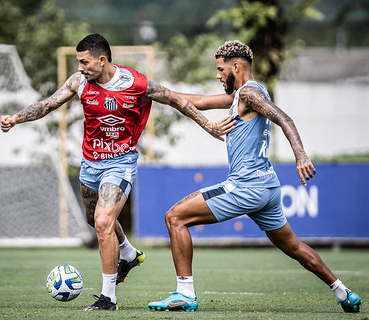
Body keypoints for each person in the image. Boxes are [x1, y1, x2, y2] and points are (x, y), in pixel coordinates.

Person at [0, 33, 235, 311]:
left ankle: (107, 298)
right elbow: (47, 104)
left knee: (102, 223)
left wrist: (207, 125)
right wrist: (16, 118)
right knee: (93, 219)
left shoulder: (136, 83)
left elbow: (175, 100)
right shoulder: (79, 82)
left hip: (120, 163)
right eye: (78, 62)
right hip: (89, 164)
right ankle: (128, 253)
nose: (79, 68)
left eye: (84, 62)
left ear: (102, 60)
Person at [147, 40, 362, 313]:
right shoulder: (242, 96)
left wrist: (301, 155)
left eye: (220, 69)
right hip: (267, 187)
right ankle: (344, 293)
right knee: (294, 247)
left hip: (246, 186)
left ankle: (184, 294)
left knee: (175, 217)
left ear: (236, 66)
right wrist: (152, 90)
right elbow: (198, 101)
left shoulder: (249, 94)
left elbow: (284, 118)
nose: (217, 75)